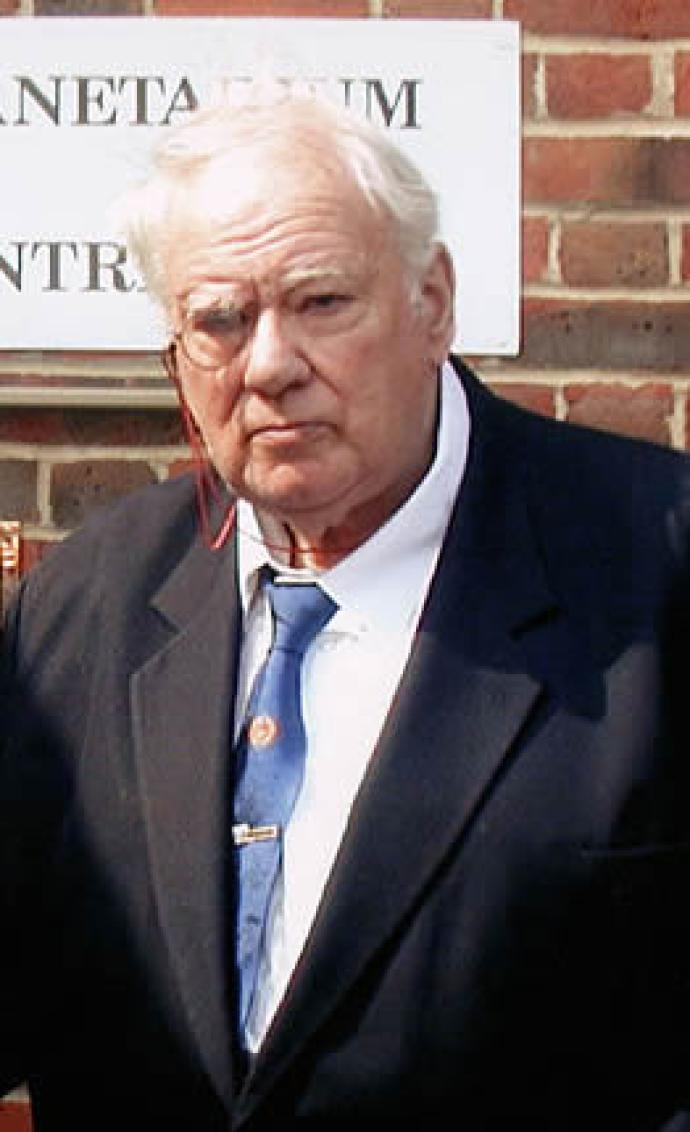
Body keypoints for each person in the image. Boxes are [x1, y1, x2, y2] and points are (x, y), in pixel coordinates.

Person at [2, 88, 690, 1132]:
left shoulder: (657, 566)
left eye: (321, 301)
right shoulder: (83, 606)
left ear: (434, 301)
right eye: (221, 320)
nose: (270, 364)